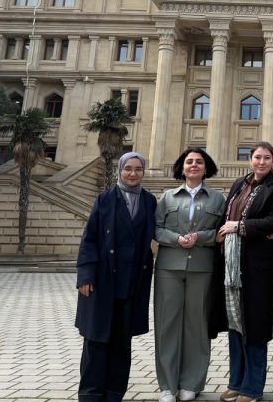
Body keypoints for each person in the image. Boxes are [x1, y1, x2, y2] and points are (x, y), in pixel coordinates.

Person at [75, 152, 157, 402]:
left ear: (143, 172)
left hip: (132, 282)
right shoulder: (105, 199)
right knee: (96, 340)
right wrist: (85, 275)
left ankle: (114, 393)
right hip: (102, 281)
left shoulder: (149, 201)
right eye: (128, 169)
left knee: (122, 342)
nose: (133, 174)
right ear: (120, 171)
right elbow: (89, 239)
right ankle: (90, 394)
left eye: (138, 169)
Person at [154, 148, 226, 402]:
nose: (194, 165)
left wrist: (200, 237)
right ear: (181, 168)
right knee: (167, 326)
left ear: (206, 168)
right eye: (189, 162)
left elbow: (220, 232)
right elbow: (157, 230)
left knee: (197, 326)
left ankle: (191, 383)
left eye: (199, 162)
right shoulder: (167, 197)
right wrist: (176, 239)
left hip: (202, 268)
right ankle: (167, 386)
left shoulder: (218, 199)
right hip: (168, 269)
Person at [218, 141, 273, 402]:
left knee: (255, 326)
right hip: (233, 266)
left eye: (267, 158)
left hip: (259, 268)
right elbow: (225, 216)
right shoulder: (240, 184)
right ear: (250, 159)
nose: (262, 162)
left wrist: (239, 226)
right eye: (258, 157)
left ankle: (252, 387)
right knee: (235, 324)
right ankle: (236, 381)